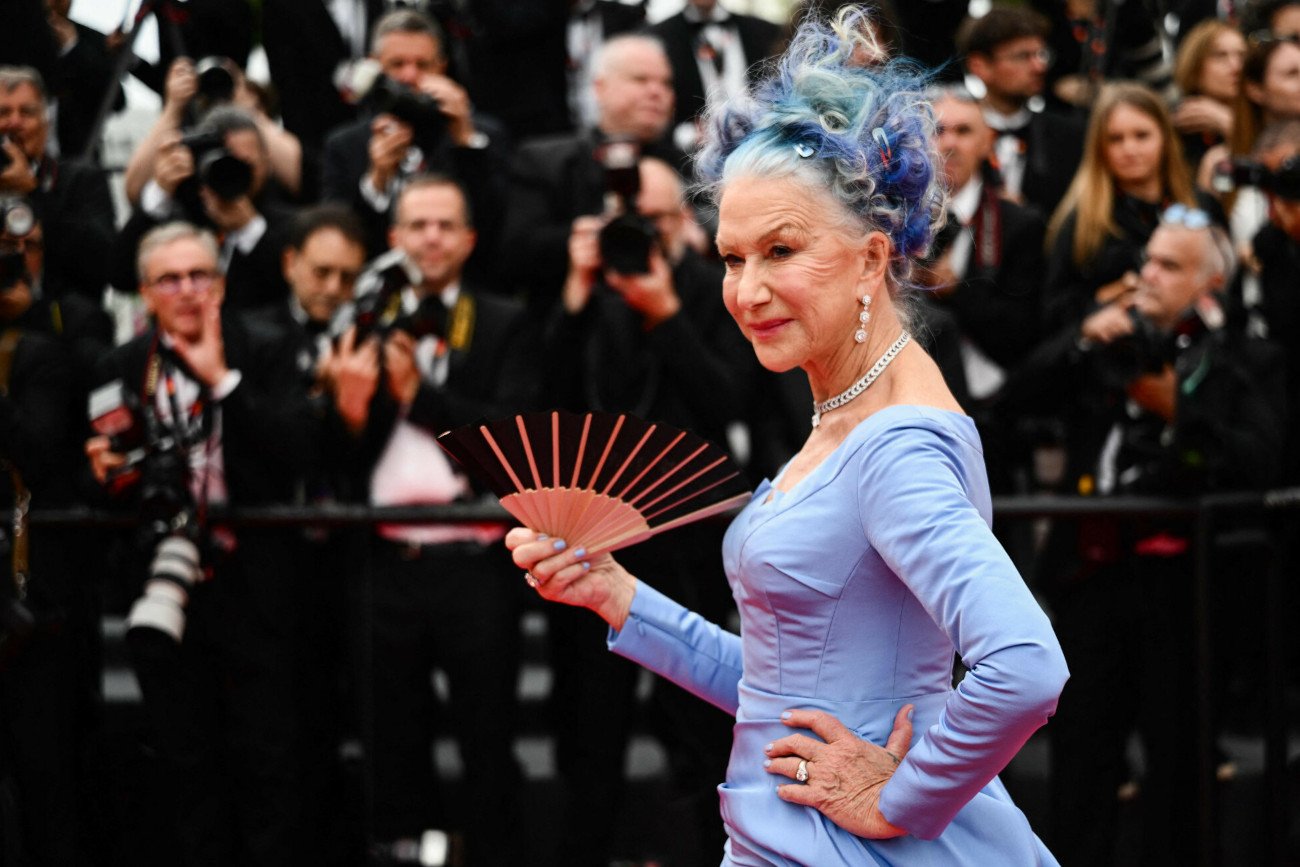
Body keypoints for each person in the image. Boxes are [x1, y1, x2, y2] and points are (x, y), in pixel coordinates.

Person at [511, 8, 1069, 865]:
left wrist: (899, 797)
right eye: (733, 258)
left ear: (873, 260)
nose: (747, 291)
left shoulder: (895, 445)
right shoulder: (848, 411)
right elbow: (784, 694)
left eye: (781, 250)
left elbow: (1026, 667)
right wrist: (620, 598)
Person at [1005, 207, 1284, 866]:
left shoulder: (1246, 357)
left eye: (1167, 266)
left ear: (1208, 286)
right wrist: (1079, 340)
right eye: (1146, 261)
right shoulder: (1104, 342)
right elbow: (1011, 403)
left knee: (1180, 761)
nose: (1146, 277)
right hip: (1089, 579)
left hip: (1186, 588)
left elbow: (1263, 457)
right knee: (1080, 760)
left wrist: (1178, 410)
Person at [538, 154, 758, 866]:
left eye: (659, 219)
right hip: (596, 534)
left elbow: (732, 399)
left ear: (685, 222)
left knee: (696, 731)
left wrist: (667, 318)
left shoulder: (711, 290)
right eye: (629, 222)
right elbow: (547, 403)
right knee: (588, 736)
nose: (643, 236)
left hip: (686, 539)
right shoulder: (588, 294)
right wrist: (576, 295)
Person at [85, 222, 313, 867]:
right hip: (165, 587)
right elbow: (104, 480)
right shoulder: (120, 366)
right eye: (170, 279)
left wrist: (224, 382)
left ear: (221, 282)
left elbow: (295, 452)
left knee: (269, 761)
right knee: (186, 765)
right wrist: (105, 473)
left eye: (199, 276)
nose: (187, 291)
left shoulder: (266, 346)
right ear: (144, 292)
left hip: (255, 586)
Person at [331, 174, 533, 866]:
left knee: (488, 734)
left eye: (445, 225)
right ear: (394, 239)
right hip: (387, 559)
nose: (431, 238)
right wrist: (355, 412)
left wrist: (424, 396)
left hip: (474, 561)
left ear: (470, 239)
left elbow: (510, 443)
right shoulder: (363, 318)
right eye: (417, 226)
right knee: (390, 738)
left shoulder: (504, 319)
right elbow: (338, 448)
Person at [500, 33, 681, 308]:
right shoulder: (544, 161)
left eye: (666, 83)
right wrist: (593, 237)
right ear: (600, 88)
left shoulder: (688, 166)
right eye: (641, 80)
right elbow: (514, 254)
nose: (657, 92)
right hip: (570, 323)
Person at [320, 9, 508, 267]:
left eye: (422, 65)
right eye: (397, 64)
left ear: (442, 67)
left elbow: (496, 231)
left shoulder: (483, 135)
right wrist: (376, 181)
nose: (409, 76)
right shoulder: (344, 145)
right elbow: (337, 243)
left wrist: (465, 141)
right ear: (375, 66)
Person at [1044, 83, 1205, 334]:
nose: (1129, 149)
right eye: (1115, 139)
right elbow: (1054, 312)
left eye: (1142, 135)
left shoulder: (1200, 206)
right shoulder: (1080, 222)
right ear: (1099, 147)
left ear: (1165, 137)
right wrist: (1104, 298)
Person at [113, 106, 298, 309]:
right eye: (223, 162)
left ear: (267, 162)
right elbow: (122, 278)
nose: (232, 173)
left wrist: (250, 229)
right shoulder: (176, 218)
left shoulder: (290, 225)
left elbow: (296, 289)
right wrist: (158, 193)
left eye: (245, 164)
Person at [956, 6, 1085, 219]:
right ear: (979, 66)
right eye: (1023, 56)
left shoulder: (1069, 136)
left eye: (1040, 54)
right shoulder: (950, 133)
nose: (1039, 66)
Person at [0, 66, 115, 302]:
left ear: (46, 123)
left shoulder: (81, 180)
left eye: (27, 113)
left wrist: (34, 192)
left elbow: (102, 263)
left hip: (62, 323)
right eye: (3, 113)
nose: (14, 123)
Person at [649, 0, 783, 152]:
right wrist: (687, 135)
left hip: (764, 150)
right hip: (690, 161)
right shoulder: (657, 37)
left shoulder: (768, 32)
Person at [1170, 20, 1246, 172]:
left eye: (1242, 56)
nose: (1236, 66)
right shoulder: (1177, 125)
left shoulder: (1267, 115)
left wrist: (1228, 124)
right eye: (1220, 56)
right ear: (1194, 66)